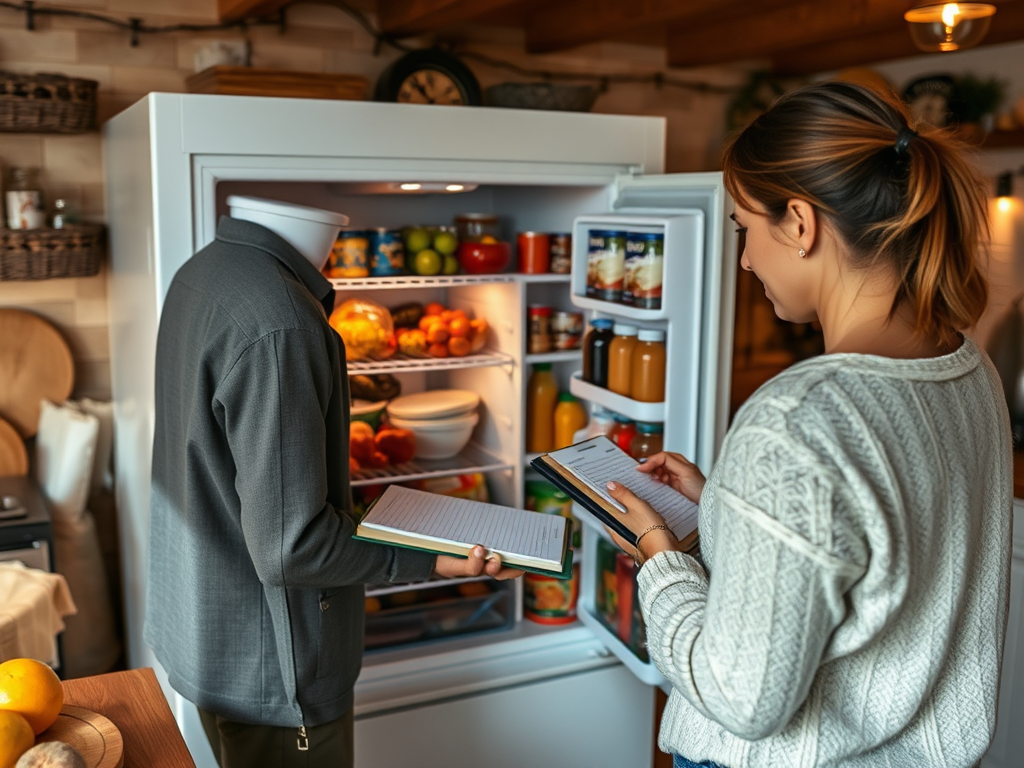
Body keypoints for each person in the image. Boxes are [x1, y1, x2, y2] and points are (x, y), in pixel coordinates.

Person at [605, 81, 1012, 768]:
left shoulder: (796, 415)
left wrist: (662, 561)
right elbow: (882, 553)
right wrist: (731, 508)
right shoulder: (969, 369)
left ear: (799, 223)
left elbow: (741, 699)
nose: (744, 261)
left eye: (745, 229)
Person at [146, 200, 521, 768]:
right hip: (277, 672)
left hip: (209, 629)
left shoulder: (206, 270)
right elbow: (290, 547)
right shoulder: (283, 324)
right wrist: (432, 559)